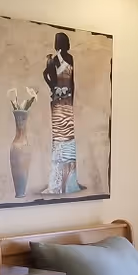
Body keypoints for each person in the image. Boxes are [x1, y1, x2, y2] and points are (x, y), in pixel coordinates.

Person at [41, 32, 84, 194]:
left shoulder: (62, 59)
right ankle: (63, 181)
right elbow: (48, 75)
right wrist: (56, 88)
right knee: (63, 135)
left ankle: (66, 181)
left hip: (62, 99)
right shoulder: (58, 59)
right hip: (63, 99)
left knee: (64, 135)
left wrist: (55, 87)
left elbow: (51, 76)